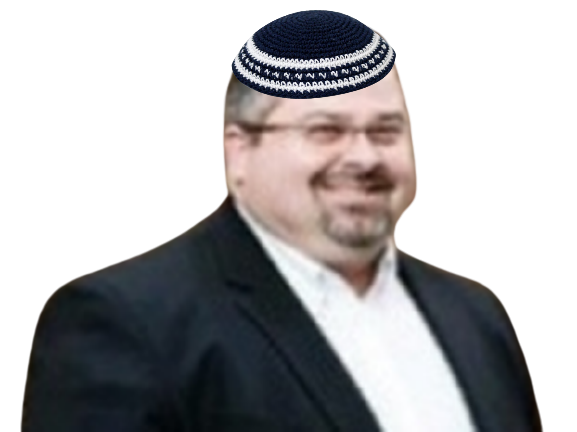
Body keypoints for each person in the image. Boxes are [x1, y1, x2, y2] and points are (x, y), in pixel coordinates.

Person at [22, 10, 541, 432]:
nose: (364, 157)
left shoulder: (476, 316)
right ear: (239, 151)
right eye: (325, 131)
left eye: (385, 132)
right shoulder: (124, 322)